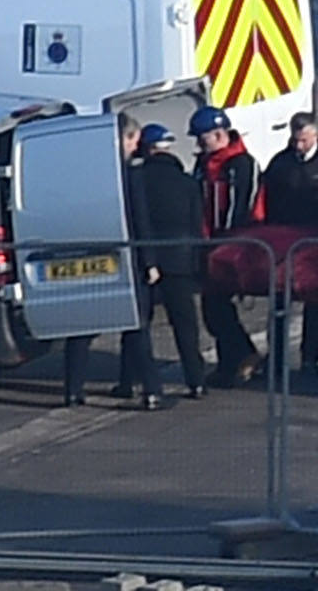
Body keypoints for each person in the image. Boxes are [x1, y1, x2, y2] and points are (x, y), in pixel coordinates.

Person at [63, 114, 164, 409]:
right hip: (125, 257)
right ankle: (152, 391)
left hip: (90, 257)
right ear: (126, 139)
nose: (136, 146)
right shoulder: (131, 176)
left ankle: (72, 390)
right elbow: (140, 220)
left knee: (81, 328)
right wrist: (150, 262)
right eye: (134, 139)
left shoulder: (85, 175)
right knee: (136, 326)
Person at [258, 111, 318, 377]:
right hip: (283, 248)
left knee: (314, 306)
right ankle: (276, 360)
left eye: (303, 140)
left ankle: (310, 360)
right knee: (279, 305)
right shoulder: (280, 165)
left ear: (316, 135)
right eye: (295, 140)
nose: (299, 145)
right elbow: (267, 203)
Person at [131, 123, 211, 398]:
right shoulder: (187, 182)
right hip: (181, 261)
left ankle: (135, 382)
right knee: (186, 326)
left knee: (140, 325)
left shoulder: (137, 179)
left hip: (145, 260)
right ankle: (196, 380)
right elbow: (196, 224)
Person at [191, 105, 264, 388]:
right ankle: (231, 362)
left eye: (202, 137)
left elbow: (240, 208)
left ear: (220, 134)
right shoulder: (205, 164)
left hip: (233, 248)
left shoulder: (242, 164)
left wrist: (227, 244)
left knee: (220, 306)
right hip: (209, 245)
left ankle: (243, 355)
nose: (199, 143)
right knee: (214, 309)